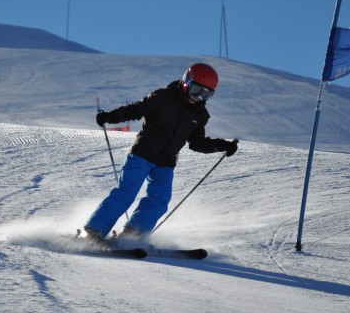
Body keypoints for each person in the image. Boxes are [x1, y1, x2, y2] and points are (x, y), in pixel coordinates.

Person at [83, 62, 238, 241]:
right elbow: (136, 109)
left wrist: (221, 145)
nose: (198, 97)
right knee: (126, 193)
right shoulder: (163, 97)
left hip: (165, 162)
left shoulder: (200, 115)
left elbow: (197, 143)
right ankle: (94, 231)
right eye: (196, 90)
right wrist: (110, 117)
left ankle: (134, 235)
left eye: (206, 94)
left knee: (159, 199)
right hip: (142, 154)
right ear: (187, 81)